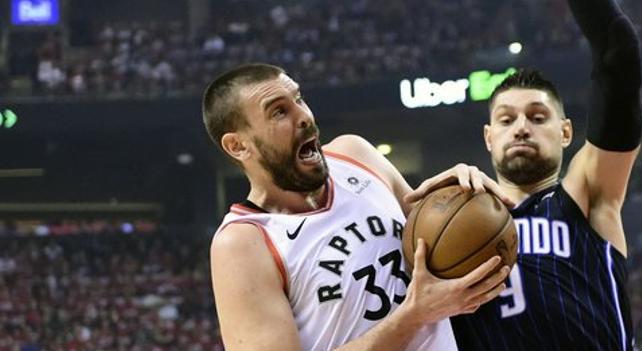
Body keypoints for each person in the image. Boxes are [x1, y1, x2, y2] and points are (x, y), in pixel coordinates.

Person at [407, 0, 642, 349]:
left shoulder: (587, 196)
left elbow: (618, 53)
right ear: (488, 138)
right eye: (507, 118)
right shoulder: (441, 224)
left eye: (538, 117)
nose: (521, 127)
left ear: (565, 132)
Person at [202, 63, 511, 351]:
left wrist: (462, 197)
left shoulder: (356, 155)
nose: (304, 116)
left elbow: (436, 243)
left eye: (298, 99)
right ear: (237, 145)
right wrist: (413, 316)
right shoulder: (242, 242)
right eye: (279, 112)